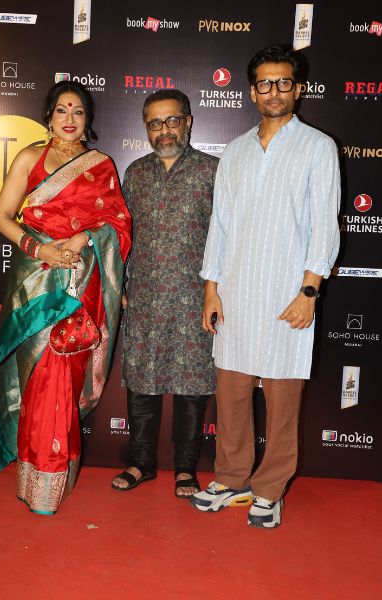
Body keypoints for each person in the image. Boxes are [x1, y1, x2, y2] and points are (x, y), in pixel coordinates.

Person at [190, 44, 340, 528]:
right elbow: (220, 225)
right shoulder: (234, 151)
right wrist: (211, 288)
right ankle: (232, 479)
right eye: (264, 83)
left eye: (283, 82)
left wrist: (310, 291)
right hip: (236, 292)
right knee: (231, 397)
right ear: (252, 92)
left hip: (286, 295)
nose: (274, 91)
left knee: (282, 403)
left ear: (298, 89)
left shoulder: (317, 146)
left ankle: (270, 489)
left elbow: (325, 224)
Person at [0, 81, 132, 515]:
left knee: (64, 376)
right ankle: (38, 476)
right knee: (39, 376)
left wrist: (84, 237)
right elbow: (3, 215)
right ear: (48, 116)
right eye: (61, 109)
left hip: (83, 283)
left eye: (78, 111)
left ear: (87, 119)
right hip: (37, 280)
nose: (69, 118)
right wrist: (39, 249)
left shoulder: (101, 164)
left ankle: (51, 477)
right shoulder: (30, 157)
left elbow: (118, 223)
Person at [110, 90, 218, 498]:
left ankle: (186, 468)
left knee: (192, 386)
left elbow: (227, 236)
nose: (165, 130)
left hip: (195, 298)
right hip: (145, 295)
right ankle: (141, 462)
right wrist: (120, 284)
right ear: (146, 128)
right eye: (155, 123)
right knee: (142, 382)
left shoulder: (212, 171)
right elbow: (122, 236)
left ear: (188, 121)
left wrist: (217, 290)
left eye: (172, 120)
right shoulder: (135, 173)